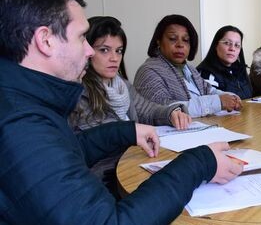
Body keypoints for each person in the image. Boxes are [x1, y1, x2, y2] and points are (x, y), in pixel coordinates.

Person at [0, 0, 243, 225]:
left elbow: (65, 153)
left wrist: (126, 130)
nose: (89, 51)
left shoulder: (22, 102)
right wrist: (200, 162)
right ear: (45, 40)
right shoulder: (20, 123)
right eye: (82, 38)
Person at [70, 16, 192, 193]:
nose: (114, 58)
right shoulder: (79, 92)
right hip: (105, 179)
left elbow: (147, 109)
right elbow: (106, 140)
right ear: (87, 50)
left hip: (136, 162)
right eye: (104, 50)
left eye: (119, 51)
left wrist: (171, 112)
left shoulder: (122, 84)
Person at [134, 14, 242, 116]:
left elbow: (208, 90)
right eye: (172, 38)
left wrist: (230, 97)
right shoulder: (148, 71)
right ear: (158, 41)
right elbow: (163, 110)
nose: (180, 45)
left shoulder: (189, 69)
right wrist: (217, 102)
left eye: (186, 40)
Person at [197, 25, 253, 99]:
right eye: (227, 43)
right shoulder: (206, 74)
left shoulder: (240, 71)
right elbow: (210, 103)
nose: (232, 48)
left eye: (237, 45)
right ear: (216, 45)